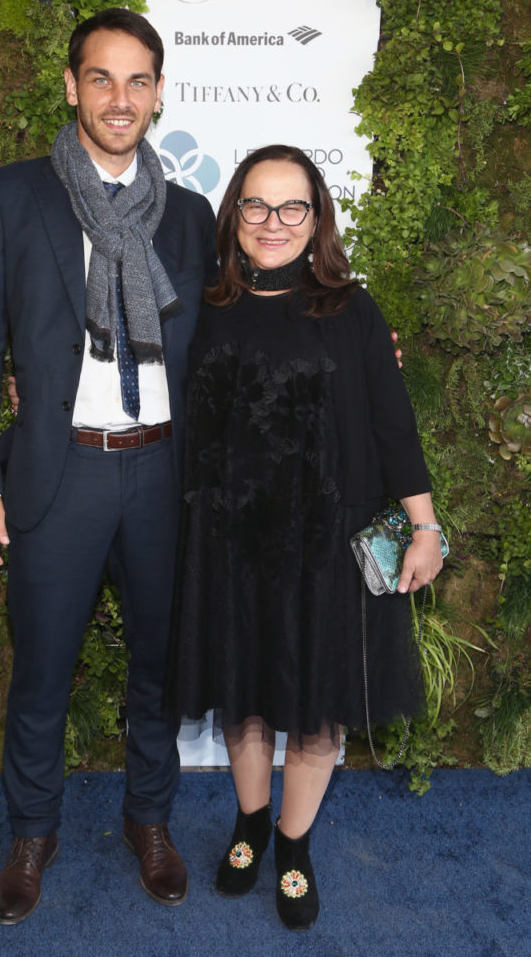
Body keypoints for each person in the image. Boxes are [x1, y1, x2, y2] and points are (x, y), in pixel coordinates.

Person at [0, 8, 216, 923]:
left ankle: (150, 820)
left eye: (138, 80)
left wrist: (345, 334)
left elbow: (234, 334)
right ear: (71, 87)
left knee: (159, 669)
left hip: (163, 476)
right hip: (57, 475)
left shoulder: (189, 216)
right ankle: (33, 832)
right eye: (101, 78)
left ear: (159, 93)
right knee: (41, 671)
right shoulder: (13, 196)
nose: (120, 98)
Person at [165, 144, 444, 930]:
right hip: (228, 542)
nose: (273, 222)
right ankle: (251, 821)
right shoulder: (201, 306)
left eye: (293, 206)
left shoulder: (353, 311)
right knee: (244, 696)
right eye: (256, 204)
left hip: (325, 544)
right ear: (234, 215)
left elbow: (393, 425)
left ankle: (293, 843)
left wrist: (425, 525)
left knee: (319, 709)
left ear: (317, 217)